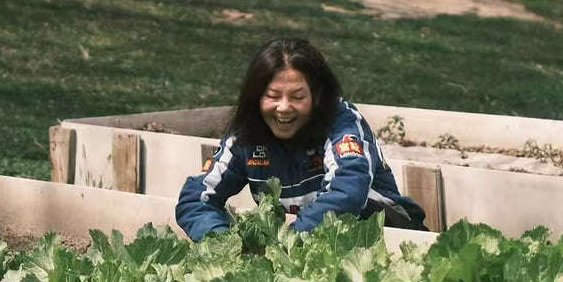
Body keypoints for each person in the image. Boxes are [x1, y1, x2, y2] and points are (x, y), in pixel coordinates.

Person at [176, 38, 426, 241]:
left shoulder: (342, 122)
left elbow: (349, 189)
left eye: (297, 96)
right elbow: (195, 199)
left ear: (317, 96)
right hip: (304, 249)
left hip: (390, 235)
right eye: (272, 96)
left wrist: (292, 242)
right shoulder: (245, 135)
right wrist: (224, 245)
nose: (284, 108)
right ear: (255, 97)